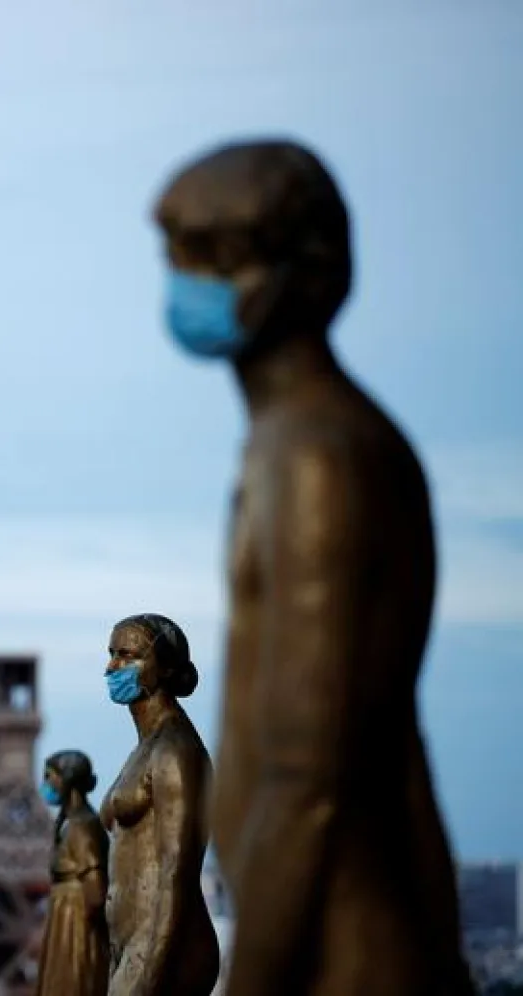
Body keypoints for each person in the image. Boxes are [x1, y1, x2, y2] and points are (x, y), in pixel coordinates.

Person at [152, 139, 473, 996]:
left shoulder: (314, 461)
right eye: (175, 256)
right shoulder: (302, 446)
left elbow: (309, 774)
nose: (181, 282)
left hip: (336, 938)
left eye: (205, 258)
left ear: (285, 275)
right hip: (333, 917)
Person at [100, 613, 219, 996]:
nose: (113, 666)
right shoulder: (145, 749)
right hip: (134, 943)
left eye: (128, 655)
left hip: (161, 948)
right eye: (112, 653)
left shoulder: (175, 750)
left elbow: (175, 873)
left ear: (165, 668)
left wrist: (151, 971)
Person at [37, 749, 110, 996]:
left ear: (65, 781)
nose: (45, 784)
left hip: (75, 919)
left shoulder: (81, 825)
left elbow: (96, 887)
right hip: (68, 915)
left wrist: (86, 925)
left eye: (50, 777)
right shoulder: (72, 824)